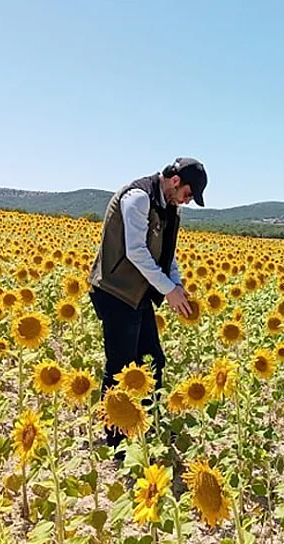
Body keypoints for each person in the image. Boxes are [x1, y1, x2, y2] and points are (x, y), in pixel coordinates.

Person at [86, 157, 206, 456]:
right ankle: (117, 440)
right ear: (176, 181)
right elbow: (136, 251)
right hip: (114, 291)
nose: (187, 201)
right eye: (189, 194)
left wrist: (176, 286)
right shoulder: (138, 198)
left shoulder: (168, 207)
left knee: (152, 360)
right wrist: (168, 291)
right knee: (121, 369)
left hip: (136, 294)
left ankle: (148, 426)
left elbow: (167, 253)